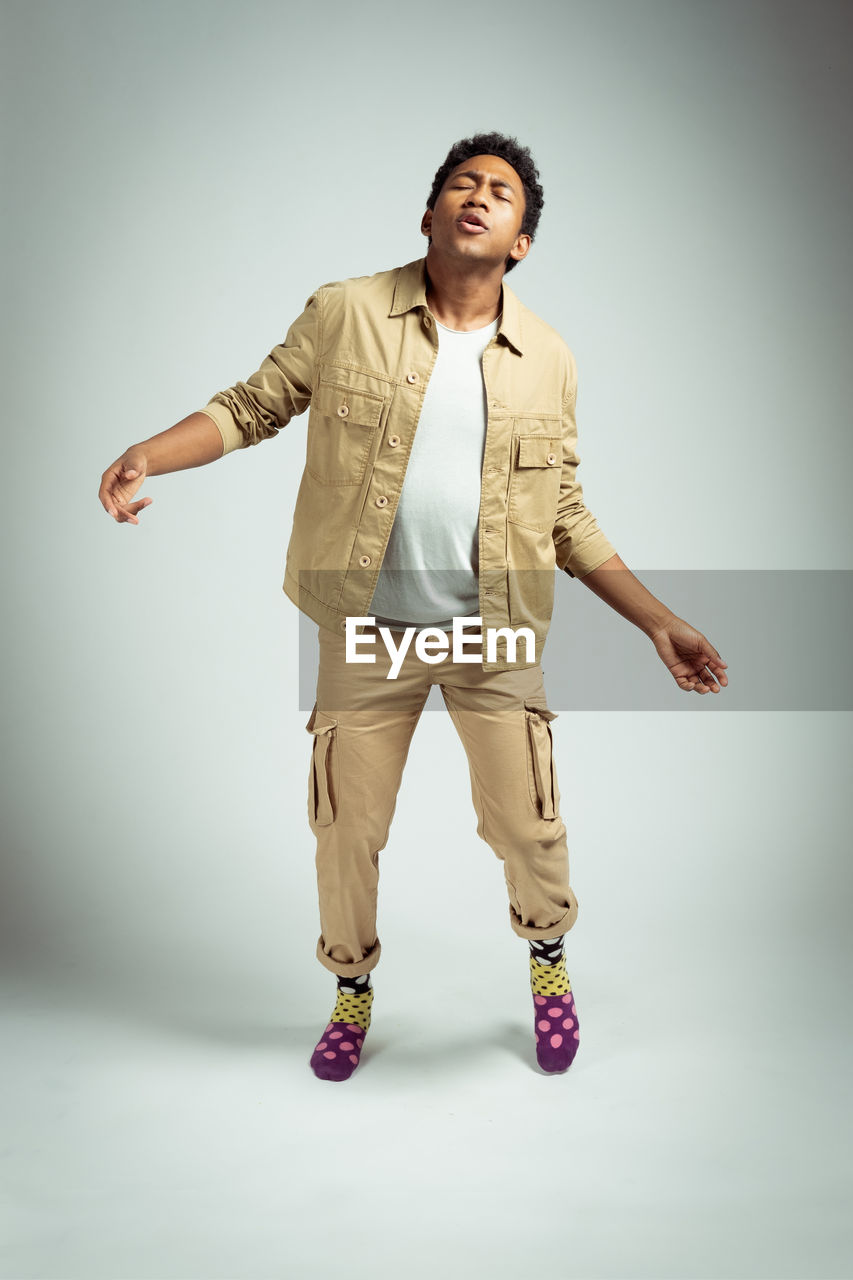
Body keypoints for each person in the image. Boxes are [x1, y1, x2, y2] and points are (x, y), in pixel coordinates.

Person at [99, 131, 728, 1083]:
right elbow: (254, 403)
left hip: (496, 630)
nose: (478, 196)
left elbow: (562, 512)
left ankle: (547, 960)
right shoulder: (346, 312)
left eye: (501, 193)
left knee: (527, 824)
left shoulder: (546, 358)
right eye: (461, 184)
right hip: (364, 625)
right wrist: (149, 451)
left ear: (520, 242)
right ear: (429, 213)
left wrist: (656, 620)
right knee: (344, 826)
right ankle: (350, 986)